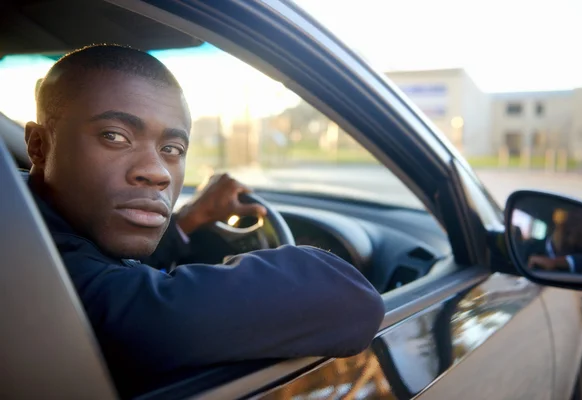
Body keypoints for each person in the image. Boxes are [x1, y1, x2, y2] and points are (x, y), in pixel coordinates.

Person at [24, 44, 385, 397]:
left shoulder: (29, 223)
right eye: (115, 136)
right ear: (39, 146)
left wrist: (187, 221)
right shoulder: (43, 280)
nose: (157, 172)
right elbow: (351, 301)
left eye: (172, 150)